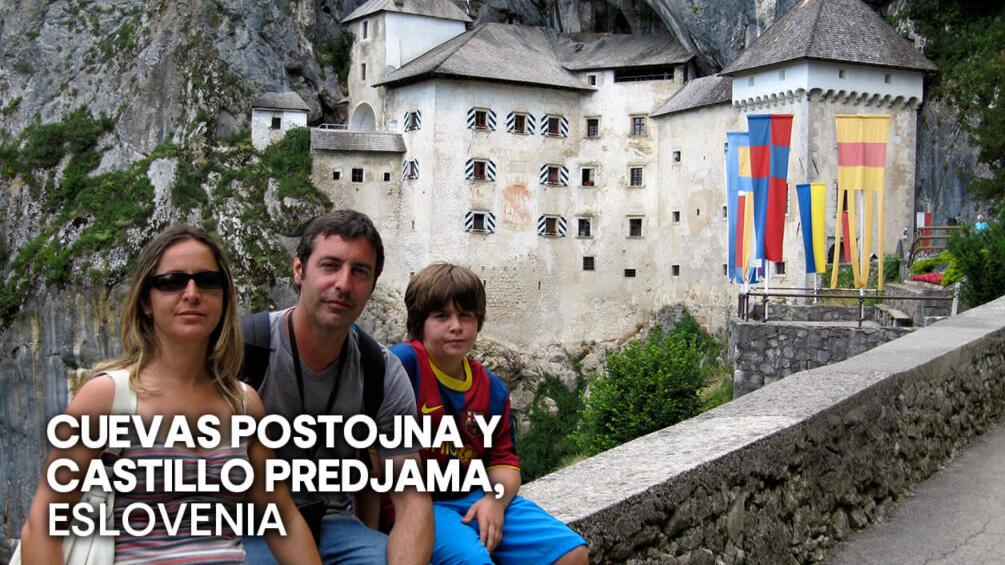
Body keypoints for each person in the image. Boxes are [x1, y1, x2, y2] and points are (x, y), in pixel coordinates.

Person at [18, 225, 321, 565]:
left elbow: (283, 519)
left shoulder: (244, 404)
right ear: (146, 302)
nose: (192, 293)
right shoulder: (107, 398)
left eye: (207, 281)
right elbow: (42, 526)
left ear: (223, 297)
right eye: (172, 281)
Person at [241, 210, 433, 565]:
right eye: (330, 266)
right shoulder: (244, 352)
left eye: (360, 272)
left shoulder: (381, 371)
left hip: (334, 526)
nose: (344, 284)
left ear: (372, 286)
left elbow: (411, 499)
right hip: (250, 525)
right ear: (299, 270)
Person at [391, 262, 588, 565]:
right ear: (420, 322)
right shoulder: (404, 364)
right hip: (416, 505)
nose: (456, 326)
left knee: (571, 554)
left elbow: (504, 462)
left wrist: (494, 501)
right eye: (441, 316)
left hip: (473, 496)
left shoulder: (491, 388)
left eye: (465, 316)